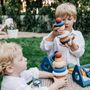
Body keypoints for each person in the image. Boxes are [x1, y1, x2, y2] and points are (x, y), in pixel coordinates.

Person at [0, 42, 67, 90]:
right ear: (10, 68)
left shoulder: (16, 74)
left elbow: (33, 73)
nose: (25, 59)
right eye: (21, 59)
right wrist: (56, 85)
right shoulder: (14, 85)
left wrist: (52, 75)